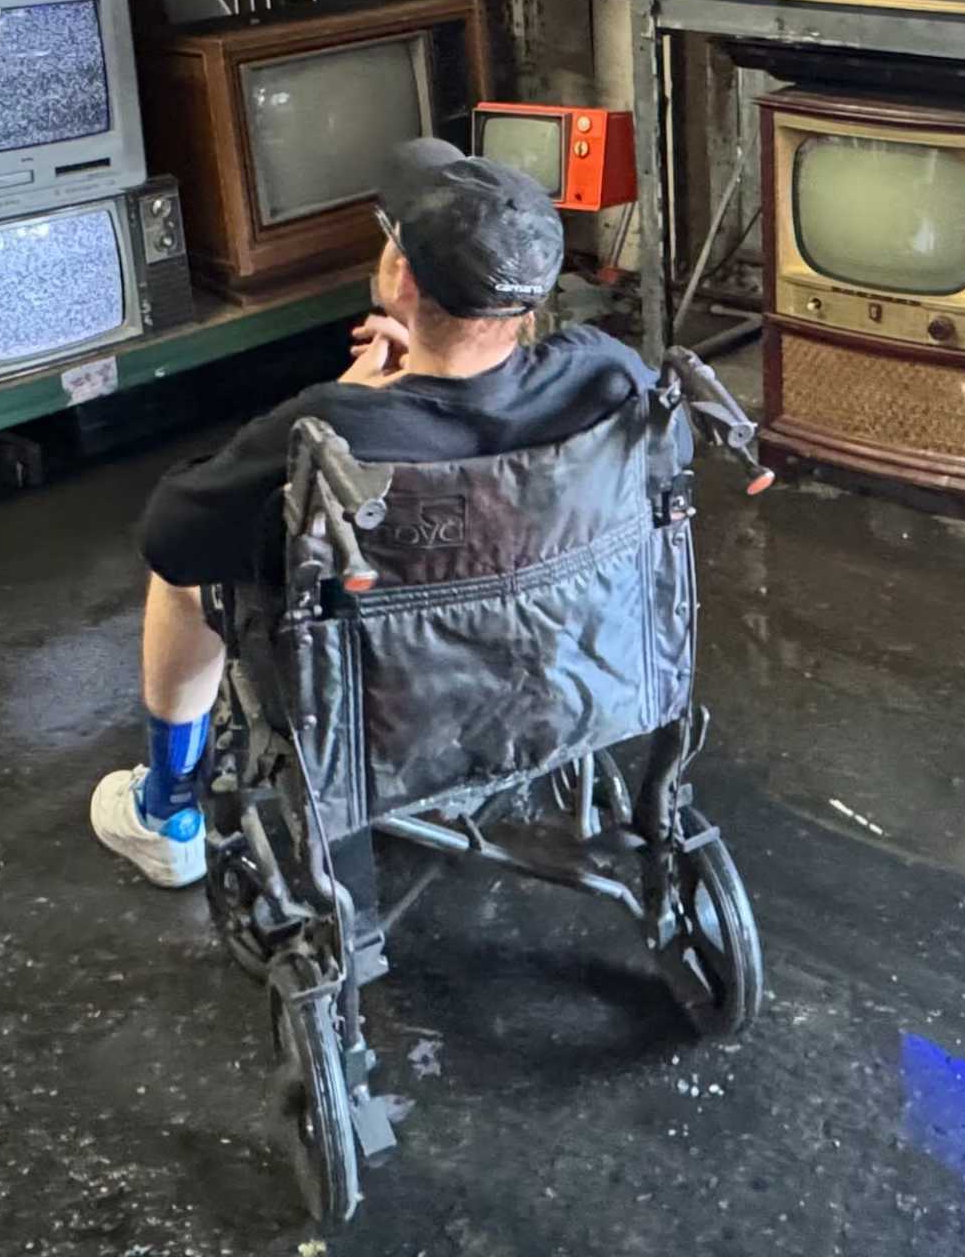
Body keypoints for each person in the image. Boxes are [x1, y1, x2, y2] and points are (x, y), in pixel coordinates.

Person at [91, 138, 653, 889]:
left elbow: (172, 534)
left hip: (387, 708)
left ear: (402, 278)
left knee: (185, 584)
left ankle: (165, 813)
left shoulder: (334, 430)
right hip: (572, 664)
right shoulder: (605, 373)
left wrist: (359, 397)